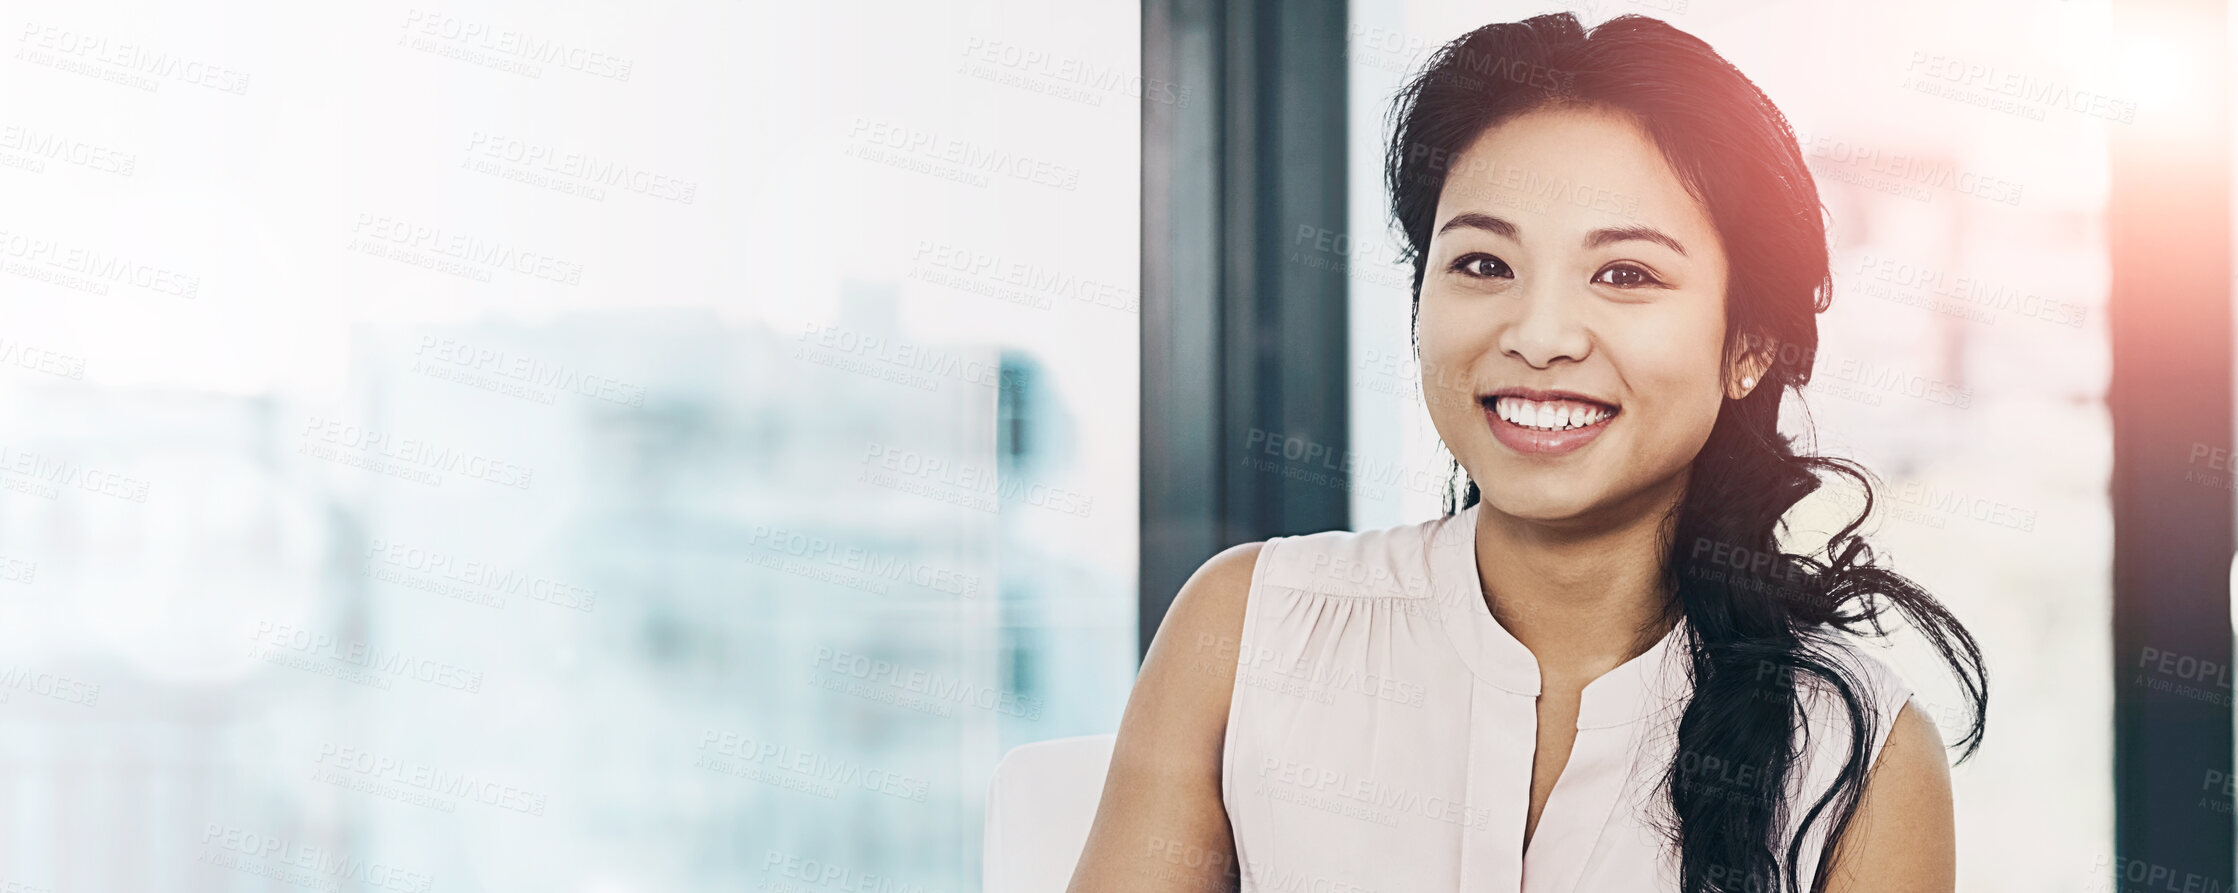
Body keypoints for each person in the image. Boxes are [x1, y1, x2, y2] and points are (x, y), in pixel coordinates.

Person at [1066, 12, 1988, 893]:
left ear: (1748, 343)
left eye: (1624, 274)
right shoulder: (1246, 629)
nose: (1540, 334)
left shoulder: (1856, 754)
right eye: (1483, 265)